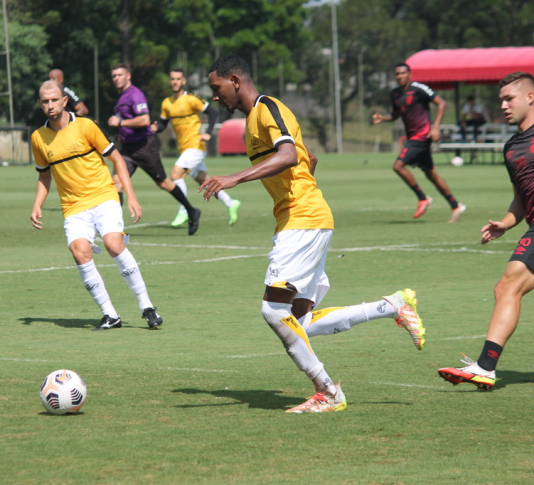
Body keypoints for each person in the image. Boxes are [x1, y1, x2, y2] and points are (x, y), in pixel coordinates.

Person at [203, 55, 425, 413]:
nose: (215, 97)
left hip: (302, 220)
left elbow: (290, 155)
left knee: (274, 312)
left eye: (216, 88)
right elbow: (309, 158)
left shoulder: (266, 108)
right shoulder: (254, 120)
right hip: (304, 218)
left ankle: (327, 391)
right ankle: (392, 307)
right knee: (300, 320)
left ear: (234, 80)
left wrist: (234, 178)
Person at [30, 79, 163, 331]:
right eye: (45, 101)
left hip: (103, 196)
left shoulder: (86, 126)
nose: (50, 105)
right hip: (73, 207)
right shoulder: (38, 137)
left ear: (64, 101)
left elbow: (117, 159)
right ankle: (109, 315)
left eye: (54, 100)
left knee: (114, 244)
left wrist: (131, 197)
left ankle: (147, 305)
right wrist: (37, 204)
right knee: (80, 252)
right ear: (40, 104)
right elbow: (44, 175)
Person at [438, 72, 534, 390]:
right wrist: (506, 222)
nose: (504, 105)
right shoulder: (511, 148)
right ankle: (486, 367)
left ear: (530, 97)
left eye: (510, 98)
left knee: (508, 286)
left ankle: (486, 367)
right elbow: (522, 197)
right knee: (507, 288)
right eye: (501, 100)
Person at [107, 63, 202, 235]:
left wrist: (120, 122)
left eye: (120, 75)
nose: (116, 78)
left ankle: (191, 210)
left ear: (128, 76)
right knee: (115, 183)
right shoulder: (122, 96)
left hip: (144, 146)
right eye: (114, 76)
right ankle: (114, 227)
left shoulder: (135, 95)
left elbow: (144, 120)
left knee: (164, 183)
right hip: (127, 149)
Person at [372, 63, 466, 223]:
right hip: (413, 137)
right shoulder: (395, 93)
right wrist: (383, 118)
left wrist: (436, 127)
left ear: (409, 74)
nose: (399, 76)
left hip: (423, 135)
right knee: (431, 174)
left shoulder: (418, 88)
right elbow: (396, 114)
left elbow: (441, 103)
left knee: (398, 166)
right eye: (397, 74)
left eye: (402, 73)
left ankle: (423, 198)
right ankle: (455, 205)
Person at [152, 68, 241, 227]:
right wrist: (154, 128)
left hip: (196, 146)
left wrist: (208, 133)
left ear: (184, 81)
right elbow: (163, 124)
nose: (175, 82)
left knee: (176, 174)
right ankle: (230, 202)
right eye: (172, 79)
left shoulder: (191, 99)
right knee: (204, 180)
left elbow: (213, 112)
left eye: (178, 79)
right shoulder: (167, 103)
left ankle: (183, 210)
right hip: (184, 148)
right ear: (169, 81)